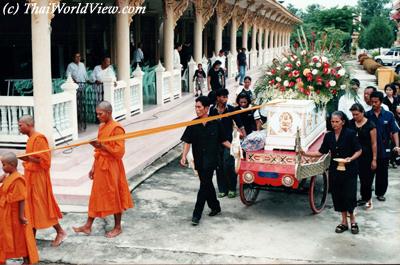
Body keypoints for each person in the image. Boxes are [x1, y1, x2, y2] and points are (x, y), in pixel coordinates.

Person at [73, 101, 134, 238]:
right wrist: (93, 167)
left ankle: (118, 227)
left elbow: (119, 153)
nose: (98, 116)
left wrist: (102, 146)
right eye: (97, 114)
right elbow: (99, 150)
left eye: (100, 114)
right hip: (101, 164)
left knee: (114, 195)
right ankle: (88, 226)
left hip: (112, 166)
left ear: (109, 113)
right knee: (96, 195)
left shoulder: (117, 128)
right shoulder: (102, 127)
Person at [301, 111, 362, 234]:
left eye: (337, 122)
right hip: (335, 169)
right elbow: (321, 152)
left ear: (343, 122)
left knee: (349, 195)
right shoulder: (328, 136)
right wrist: (304, 153)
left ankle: (353, 221)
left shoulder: (350, 134)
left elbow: (359, 150)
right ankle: (343, 221)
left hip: (349, 169)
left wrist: (350, 158)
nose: (334, 124)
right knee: (338, 194)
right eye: (332, 122)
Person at [180, 96, 231, 226]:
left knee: (203, 186)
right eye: (196, 107)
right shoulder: (193, 124)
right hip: (199, 161)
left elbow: (223, 140)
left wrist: (236, 149)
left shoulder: (216, 123)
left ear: (207, 108)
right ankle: (215, 207)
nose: (196, 110)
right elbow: (187, 141)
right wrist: (184, 156)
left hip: (212, 160)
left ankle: (196, 215)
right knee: (206, 184)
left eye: (199, 107)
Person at [18, 115, 66, 247]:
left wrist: (28, 159)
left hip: (39, 179)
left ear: (29, 125)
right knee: (30, 207)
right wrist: (28, 159)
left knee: (42, 206)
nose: (19, 128)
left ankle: (60, 231)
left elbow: (46, 162)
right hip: (30, 177)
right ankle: (31, 237)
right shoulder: (30, 139)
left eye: (20, 125)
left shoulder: (39, 138)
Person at [0, 152, 39, 265]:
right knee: (6, 236)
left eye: (4, 164)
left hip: (15, 213)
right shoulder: (8, 176)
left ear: (12, 164)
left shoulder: (18, 179)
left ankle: (26, 259)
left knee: (20, 237)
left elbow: (21, 198)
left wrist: (21, 216)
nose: (2, 167)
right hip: (6, 211)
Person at [209, 89, 245, 198]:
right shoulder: (212, 110)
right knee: (219, 166)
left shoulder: (231, 109)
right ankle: (222, 189)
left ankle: (232, 188)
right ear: (217, 98)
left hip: (228, 142)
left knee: (228, 165)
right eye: (223, 97)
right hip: (216, 142)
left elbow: (240, 124)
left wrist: (244, 137)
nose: (225, 99)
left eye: (226, 97)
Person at [365, 91, 400, 202]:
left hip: (385, 148)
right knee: (368, 173)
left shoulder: (389, 115)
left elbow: (394, 131)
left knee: (382, 173)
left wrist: (397, 146)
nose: (374, 104)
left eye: (376, 102)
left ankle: (380, 193)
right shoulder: (366, 115)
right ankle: (366, 194)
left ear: (381, 102)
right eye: (372, 102)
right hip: (369, 149)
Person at [348, 103, 377, 210]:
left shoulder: (370, 125)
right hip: (354, 155)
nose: (355, 117)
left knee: (366, 180)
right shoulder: (350, 123)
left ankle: (367, 199)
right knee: (353, 178)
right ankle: (354, 199)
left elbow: (374, 143)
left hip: (367, 156)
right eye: (353, 115)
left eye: (357, 114)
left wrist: (374, 159)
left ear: (362, 113)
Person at [383, 83, 400, 168]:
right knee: (389, 140)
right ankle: (388, 159)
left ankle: (394, 159)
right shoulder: (384, 100)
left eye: (390, 90)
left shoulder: (396, 99)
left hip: (396, 120)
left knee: (395, 141)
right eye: (387, 90)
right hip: (388, 121)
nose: (388, 91)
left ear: (393, 91)